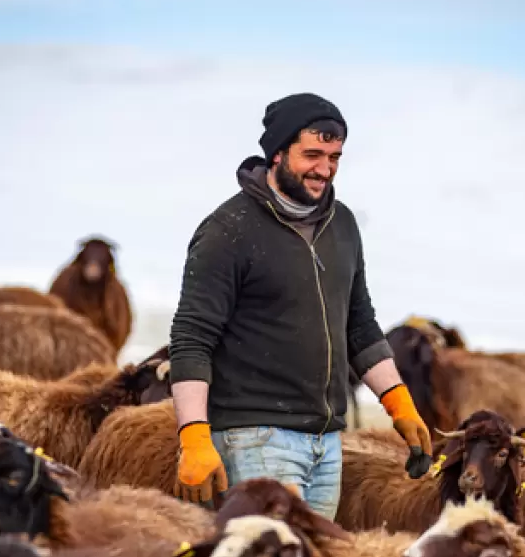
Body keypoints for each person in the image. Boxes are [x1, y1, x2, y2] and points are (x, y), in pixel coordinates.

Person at [167, 92, 431, 519]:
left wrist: (398, 402)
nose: (324, 169)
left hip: (326, 443)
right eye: (312, 154)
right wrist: (194, 435)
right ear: (276, 154)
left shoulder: (341, 224)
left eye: (334, 157)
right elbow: (191, 339)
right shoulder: (227, 231)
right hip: (254, 438)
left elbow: (359, 323)